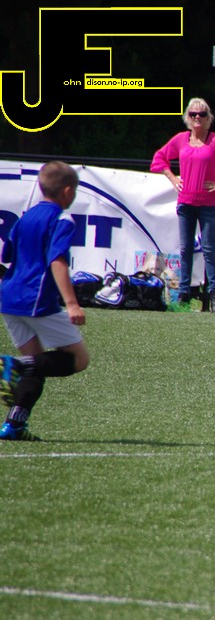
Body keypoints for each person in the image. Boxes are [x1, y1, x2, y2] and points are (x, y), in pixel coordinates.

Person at [0, 162, 91, 441]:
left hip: (9, 299)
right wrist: (72, 303)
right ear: (68, 191)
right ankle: (12, 365)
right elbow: (57, 260)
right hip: (36, 300)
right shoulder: (62, 219)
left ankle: (14, 425)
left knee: (38, 365)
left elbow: (7, 256)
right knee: (78, 359)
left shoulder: (25, 217)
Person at [151, 97, 215, 312]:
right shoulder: (181, 139)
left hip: (209, 203)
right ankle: (184, 293)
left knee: (209, 249)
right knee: (185, 249)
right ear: (187, 117)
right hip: (186, 202)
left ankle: (214, 295)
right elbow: (159, 158)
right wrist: (173, 178)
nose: (197, 118)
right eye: (193, 114)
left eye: (202, 114)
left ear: (208, 118)